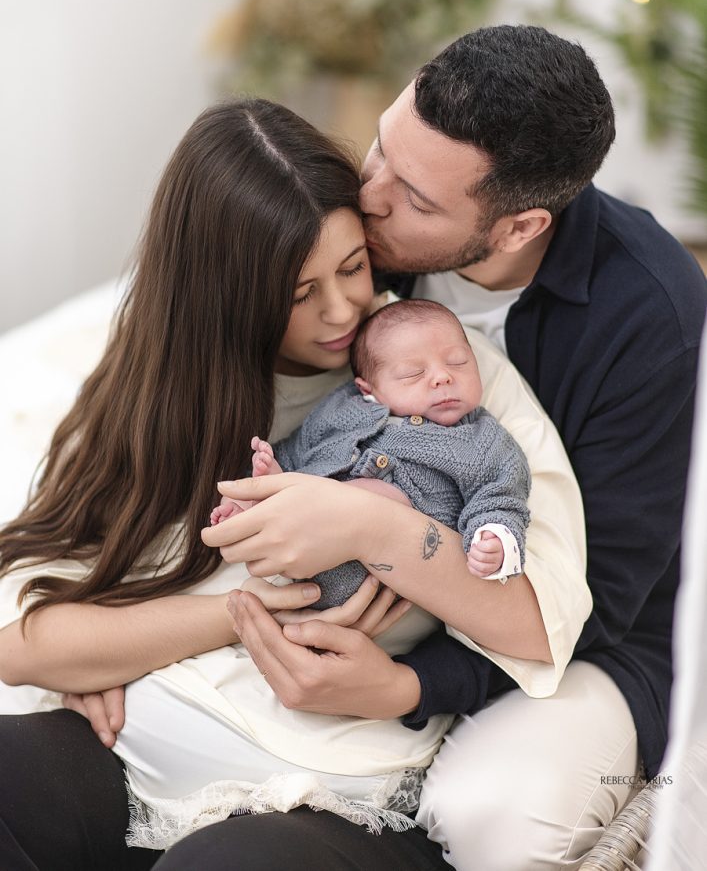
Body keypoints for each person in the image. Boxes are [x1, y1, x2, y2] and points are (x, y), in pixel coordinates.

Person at [0, 94, 589, 869]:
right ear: (222, 295)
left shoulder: (442, 375)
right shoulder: (161, 391)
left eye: (353, 267)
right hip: (134, 746)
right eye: (297, 293)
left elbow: (545, 620)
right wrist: (223, 620)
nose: (342, 310)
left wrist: (370, 527)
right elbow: (25, 640)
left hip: (319, 786)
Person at [201, 25, 707, 871]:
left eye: (416, 199)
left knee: (490, 813)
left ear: (518, 227)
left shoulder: (649, 315)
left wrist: (413, 686)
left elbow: (603, 604)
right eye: (381, 147)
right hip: (365, 585)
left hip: (584, 636)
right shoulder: (359, 230)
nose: (369, 197)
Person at [212, 298, 529, 608]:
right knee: (280, 476)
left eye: (458, 362)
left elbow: (500, 495)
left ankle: (279, 516)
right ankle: (256, 508)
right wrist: (269, 468)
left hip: (378, 564)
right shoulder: (343, 408)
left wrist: (494, 538)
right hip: (303, 520)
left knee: (376, 497)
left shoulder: (483, 440)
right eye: (412, 373)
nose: (442, 377)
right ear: (368, 390)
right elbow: (302, 446)